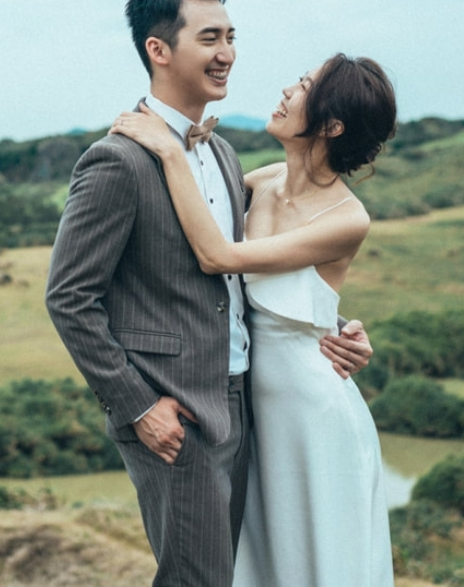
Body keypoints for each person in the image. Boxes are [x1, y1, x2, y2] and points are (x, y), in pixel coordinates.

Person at [45, 0, 373, 587]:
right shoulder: (117, 161)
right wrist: (140, 408)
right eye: (210, 39)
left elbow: (265, 271)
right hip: (173, 412)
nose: (228, 54)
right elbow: (68, 299)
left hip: (246, 405)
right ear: (159, 50)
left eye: (231, 37)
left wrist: (336, 329)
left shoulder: (223, 153)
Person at [111, 53, 397, 586]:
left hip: (310, 414)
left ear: (331, 125)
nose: (288, 90)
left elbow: (217, 256)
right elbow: (184, 225)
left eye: (305, 87)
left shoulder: (347, 217)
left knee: (316, 559)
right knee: (259, 563)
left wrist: (171, 154)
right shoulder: (261, 179)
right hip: (247, 409)